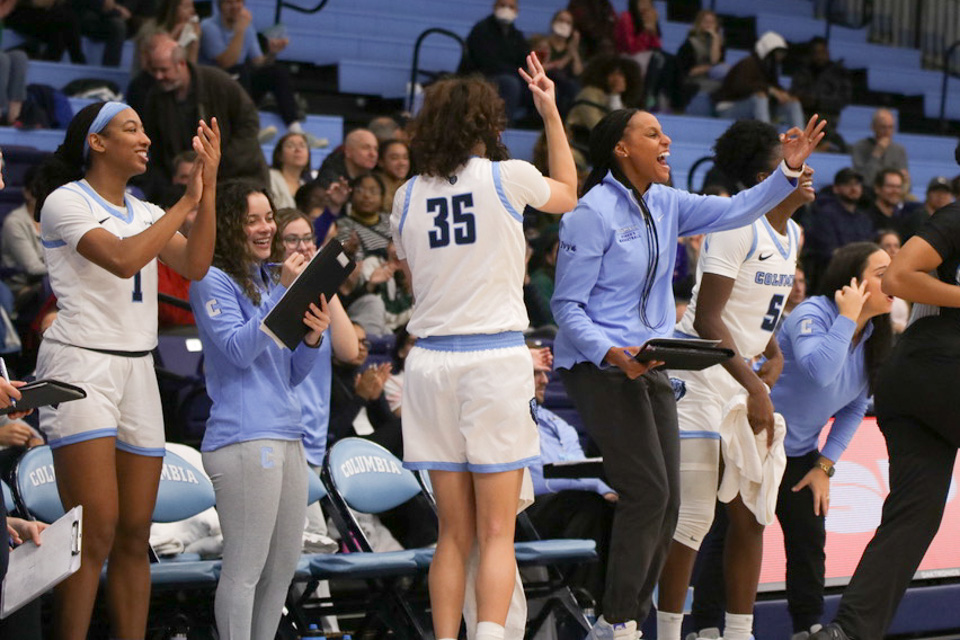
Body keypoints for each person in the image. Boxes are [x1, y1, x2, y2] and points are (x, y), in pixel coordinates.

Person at [551, 108, 824, 639]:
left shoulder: (668, 202)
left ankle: (627, 619)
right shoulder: (590, 213)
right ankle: (617, 623)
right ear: (622, 149)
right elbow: (566, 308)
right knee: (650, 494)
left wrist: (786, 172)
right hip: (597, 365)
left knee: (671, 502)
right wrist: (613, 353)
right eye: (652, 133)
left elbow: (742, 207)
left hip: (655, 358)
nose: (666, 140)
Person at [391, 55, 578, 640]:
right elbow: (569, 193)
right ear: (487, 125)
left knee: (453, 534)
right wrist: (549, 112)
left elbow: (409, 271)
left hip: (428, 363)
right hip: (491, 360)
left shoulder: (402, 197)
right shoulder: (506, 176)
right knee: (497, 532)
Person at [33, 101, 219, 640]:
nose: (144, 139)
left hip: (139, 367)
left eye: (144, 129)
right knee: (95, 531)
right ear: (96, 141)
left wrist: (206, 187)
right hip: (80, 366)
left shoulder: (145, 210)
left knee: (136, 533)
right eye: (130, 129)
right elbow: (120, 259)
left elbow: (197, 265)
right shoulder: (64, 201)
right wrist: (185, 201)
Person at [656, 119, 814, 640]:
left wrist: (772, 351)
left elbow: (759, 307)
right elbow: (707, 320)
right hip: (700, 372)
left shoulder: (794, 231)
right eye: (794, 159)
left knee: (752, 513)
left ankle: (738, 633)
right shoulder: (734, 224)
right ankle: (670, 631)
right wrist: (754, 386)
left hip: (741, 370)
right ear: (768, 173)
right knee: (696, 518)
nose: (808, 170)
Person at [810, 159, 960, 640]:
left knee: (914, 517)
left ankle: (849, 632)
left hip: (911, 382)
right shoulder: (956, 217)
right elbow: (896, 279)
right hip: (940, 368)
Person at [189, 180, 330, 640]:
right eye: (253, 219)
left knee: (282, 570)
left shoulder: (268, 279)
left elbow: (288, 373)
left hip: (288, 433)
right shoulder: (211, 278)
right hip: (243, 437)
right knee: (245, 569)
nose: (266, 227)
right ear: (230, 225)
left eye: (269, 217)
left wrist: (312, 338)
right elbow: (236, 351)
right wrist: (281, 295)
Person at [527, 356, 616, 611]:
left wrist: (604, 491)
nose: (545, 380)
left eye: (544, 373)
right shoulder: (505, 421)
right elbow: (534, 482)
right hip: (522, 511)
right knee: (584, 502)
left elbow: (580, 470)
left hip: (567, 508)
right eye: (535, 373)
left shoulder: (560, 424)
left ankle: (611, 607)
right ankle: (583, 600)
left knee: (622, 509)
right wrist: (597, 488)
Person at [142, 35, 268, 197]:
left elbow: (249, 121)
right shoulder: (155, 97)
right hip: (182, 183)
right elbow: (156, 145)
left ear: (181, 64)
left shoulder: (218, 82)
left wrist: (219, 161)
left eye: (164, 70)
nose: (158, 76)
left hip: (235, 177)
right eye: (155, 70)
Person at [200, 0, 312, 140]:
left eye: (238, 2)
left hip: (241, 84)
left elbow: (258, 62)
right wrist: (239, 30)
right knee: (239, 70)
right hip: (216, 87)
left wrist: (272, 52)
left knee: (277, 71)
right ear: (219, 6)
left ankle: (295, 129)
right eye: (229, 3)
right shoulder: (208, 26)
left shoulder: (247, 27)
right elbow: (227, 62)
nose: (235, 6)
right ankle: (250, 128)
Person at [712, 31, 805, 129]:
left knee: (793, 103)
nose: (780, 56)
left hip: (755, 110)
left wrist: (784, 94)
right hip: (729, 109)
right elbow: (741, 87)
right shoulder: (748, 63)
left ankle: (801, 140)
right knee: (759, 97)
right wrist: (771, 90)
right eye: (778, 52)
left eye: (782, 53)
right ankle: (767, 138)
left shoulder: (770, 68)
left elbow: (772, 86)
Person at [802, 168, 873, 293]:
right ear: (836, 188)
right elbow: (830, 252)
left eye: (857, 184)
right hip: (832, 279)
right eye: (848, 184)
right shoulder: (825, 214)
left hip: (860, 277)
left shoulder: (864, 218)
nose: (854, 188)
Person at [458, 0, 530, 124]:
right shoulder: (481, 30)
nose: (506, 9)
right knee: (511, 84)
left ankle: (529, 125)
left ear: (516, 11)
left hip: (510, 75)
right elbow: (487, 63)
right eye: (502, 5)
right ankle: (503, 125)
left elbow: (523, 61)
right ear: (494, 7)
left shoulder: (516, 35)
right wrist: (517, 72)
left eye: (511, 7)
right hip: (480, 76)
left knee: (538, 87)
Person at [790, 37, 851, 151]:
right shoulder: (802, 71)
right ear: (811, 54)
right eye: (816, 53)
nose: (820, 56)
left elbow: (844, 99)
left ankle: (827, 146)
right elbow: (794, 92)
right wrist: (805, 99)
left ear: (828, 53)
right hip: (804, 112)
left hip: (828, 114)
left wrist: (819, 101)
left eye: (823, 52)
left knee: (820, 122)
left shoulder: (838, 73)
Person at [675, 9, 728, 113]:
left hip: (714, 76)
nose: (709, 25)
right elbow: (686, 71)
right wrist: (708, 68)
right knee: (723, 84)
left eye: (712, 22)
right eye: (705, 21)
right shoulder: (689, 44)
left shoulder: (719, 43)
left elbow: (715, 60)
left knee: (724, 73)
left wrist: (716, 38)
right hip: (694, 79)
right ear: (699, 23)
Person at [851, 108, 909, 189]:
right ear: (873, 127)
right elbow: (865, 181)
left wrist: (905, 180)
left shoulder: (899, 150)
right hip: (868, 192)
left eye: (890, 127)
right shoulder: (860, 147)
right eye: (883, 127)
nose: (887, 131)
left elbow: (906, 185)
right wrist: (876, 154)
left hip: (893, 192)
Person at [269, 132, 312, 210]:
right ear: (279, 155)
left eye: (302, 146)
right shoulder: (270, 178)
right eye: (290, 146)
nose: (298, 150)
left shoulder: (306, 186)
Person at [375, 139, 411, 214]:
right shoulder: (373, 185)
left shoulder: (411, 186)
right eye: (394, 158)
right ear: (380, 161)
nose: (402, 163)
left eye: (405, 157)